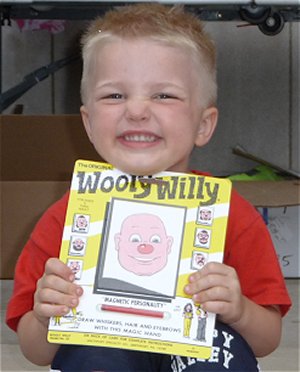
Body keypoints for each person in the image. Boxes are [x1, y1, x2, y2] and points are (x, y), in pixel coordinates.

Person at [6, 3, 291, 371]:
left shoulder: (231, 216)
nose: (137, 110)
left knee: (218, 354)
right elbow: (36, 352)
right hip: (103, 344)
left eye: (163, 95)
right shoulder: (66, 220)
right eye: (115, 95)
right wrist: (46, 317)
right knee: (90, 358)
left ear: (203, 125)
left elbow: (268, 340)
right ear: (89, 124)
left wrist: (240, 310)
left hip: (198, 351)